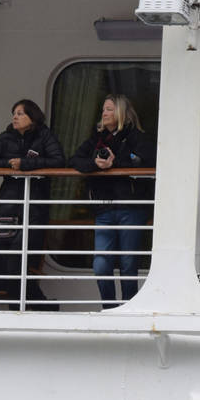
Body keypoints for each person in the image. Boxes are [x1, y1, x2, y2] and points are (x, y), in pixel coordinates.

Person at [0, 98, 65, 300]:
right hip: (8, 204)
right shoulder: (6, 137)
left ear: (33, 117)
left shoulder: (44, 135)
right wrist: (9, 163)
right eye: (14, 113)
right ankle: (38, 304)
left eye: (21, 113)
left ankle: (24, 306)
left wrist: (26, 164)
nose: (15, 116)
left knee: (17, 257)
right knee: (6, 256)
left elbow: (59, 161)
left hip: (35, 205)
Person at [72, 94, 155, 308]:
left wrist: (114, 163)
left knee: (128, 263)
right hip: (104, 208)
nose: (104, 113)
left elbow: (148, 162)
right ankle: (109, 308)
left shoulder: (137, 137)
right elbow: (73, 159)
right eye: (103, 109)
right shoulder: (97, 138)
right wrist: (96, 164)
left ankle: (128, 310)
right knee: (101, 264)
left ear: (121, 112)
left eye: (109, 109)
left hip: (132, 207)